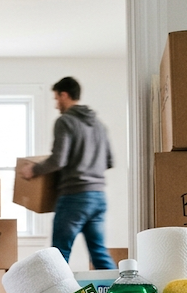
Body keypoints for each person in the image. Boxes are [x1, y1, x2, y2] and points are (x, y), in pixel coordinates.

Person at [18, 76, 116, 270]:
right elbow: (109, 161)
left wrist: (33, 170)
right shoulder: (98, 125)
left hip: (74, 197)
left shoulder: (65, 121)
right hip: (98, 197)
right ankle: (120, 289)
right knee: (99, 253)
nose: (56, 105)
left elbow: (58, 160)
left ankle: (58, 291)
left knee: (59, 254)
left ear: (64, 95)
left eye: (56, 99)